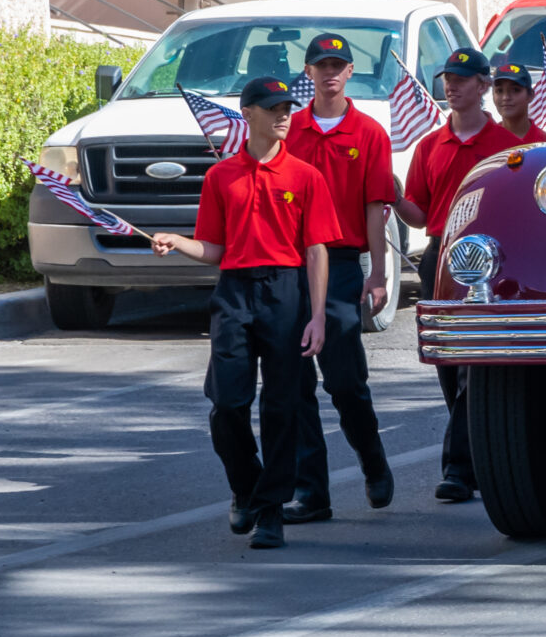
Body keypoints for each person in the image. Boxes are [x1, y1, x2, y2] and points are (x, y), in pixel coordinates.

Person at [150, 74, 329, 550]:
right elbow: (214, 247)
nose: (284, 115)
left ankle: (270, 511)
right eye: (273, 108)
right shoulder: (220, 176)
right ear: (248, 114)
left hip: (286, 290)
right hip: (235, 290)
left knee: (282, 406)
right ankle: (246, 488)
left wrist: (317, 315)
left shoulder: (306, 176)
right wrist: (177, 241)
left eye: (287, 107)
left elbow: (315, 250)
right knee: (227, 404)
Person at [395, 47, 546, 503]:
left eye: (463, 79)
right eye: (448, 78)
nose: (452, 85)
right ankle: (477, 449)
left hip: (493, 261)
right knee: (448, 361)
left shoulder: (508, 148)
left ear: (483, 86)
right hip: (442, 255)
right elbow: (419, 216)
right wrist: (391, 196)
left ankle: (458, 467)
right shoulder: (429, 146)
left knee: (476, 366)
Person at [276, 32, 397, 523]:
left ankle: (373, 461)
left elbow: (375, 207)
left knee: (345, 381)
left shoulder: (369, 133)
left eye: (338, 65)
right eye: (320, 65)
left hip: (343, 265)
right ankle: (312, 492)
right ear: (308, 73)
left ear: (350, 73)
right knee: (294, 383)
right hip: (289, 265)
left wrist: (379, 273)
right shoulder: (291, 130)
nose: (329, 73)